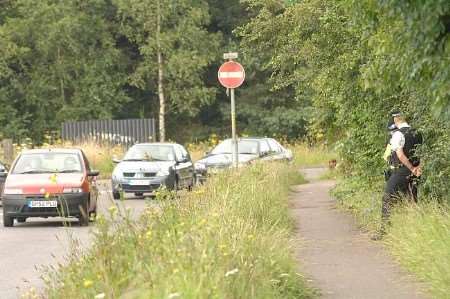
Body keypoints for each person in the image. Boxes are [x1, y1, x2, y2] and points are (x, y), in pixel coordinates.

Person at [373, 111, 423, 240]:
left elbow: (400, 155)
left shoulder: (398, 134)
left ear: (396, 120)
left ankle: (384, 231)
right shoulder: (417, 132)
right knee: (412, 200)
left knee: (387, 197)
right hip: (416, 172)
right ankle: (415, 232)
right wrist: (418, 168)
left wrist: (411, 168)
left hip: (402, 171)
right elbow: (422, 152)